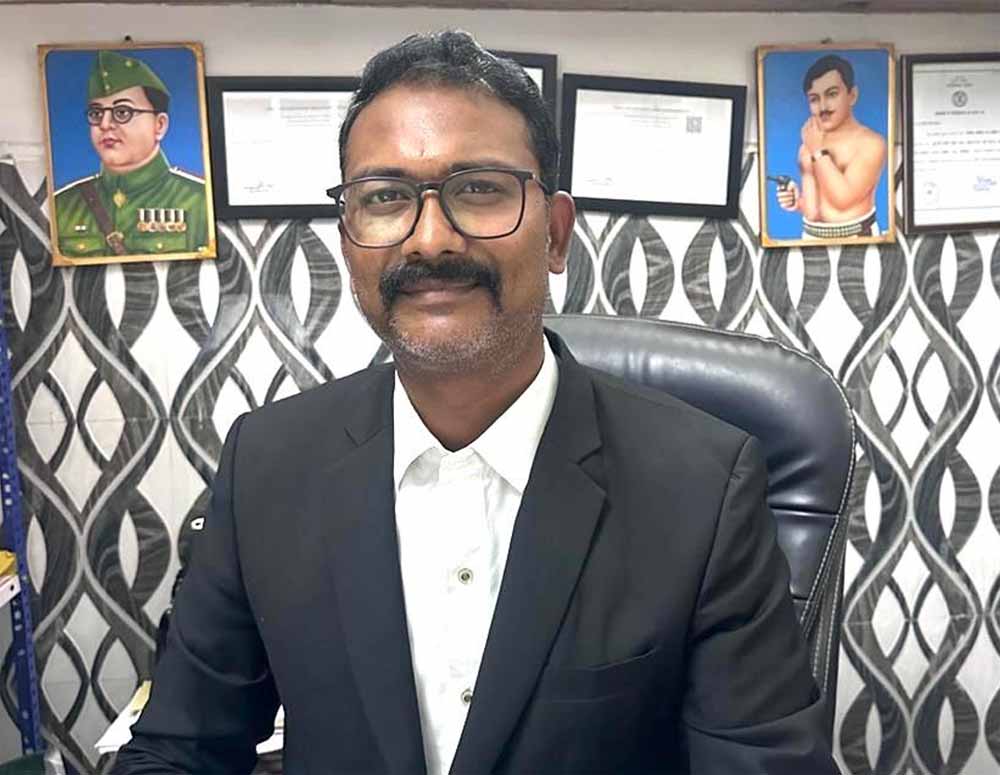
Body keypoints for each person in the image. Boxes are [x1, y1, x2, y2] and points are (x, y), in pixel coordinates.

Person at [115, 31, 839, 774]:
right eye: (385, 197)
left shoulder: (702, 487)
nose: (430, 239)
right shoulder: (267, 465)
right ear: (348, 240)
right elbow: (177, 749)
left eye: (480, 189)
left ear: (556, 235)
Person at [53, 50, 212, 259]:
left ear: (159, 125)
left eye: (122, 112)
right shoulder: (62, 206)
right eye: (96, 113)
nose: (104, 124)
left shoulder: (199, 201)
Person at [774, 54, 887, 240]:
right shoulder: (808, 145)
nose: (823, 107)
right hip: (809, 237)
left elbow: (843, 200)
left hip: (858, 239)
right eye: (814, 99)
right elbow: (813, 212)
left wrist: (818, 152)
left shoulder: (871, 143)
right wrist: (796, 202)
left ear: (852, 95)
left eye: (832, 94)